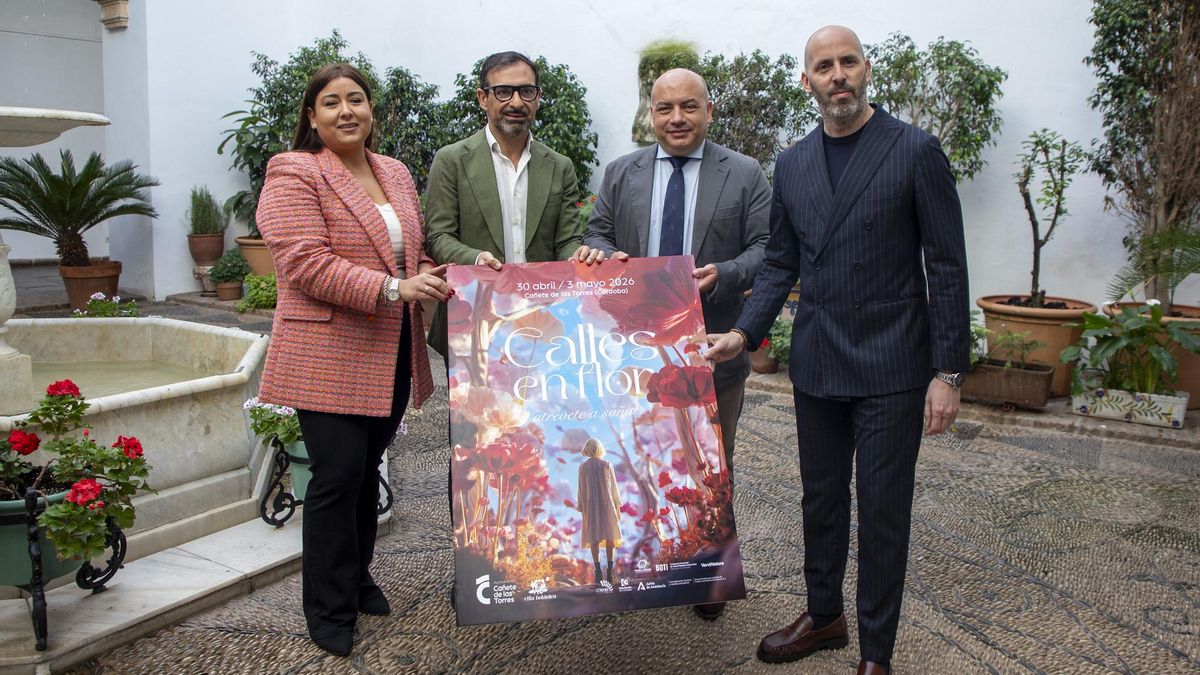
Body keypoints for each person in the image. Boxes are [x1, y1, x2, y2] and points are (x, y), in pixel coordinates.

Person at [705, 26, 970, 675]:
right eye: (824, 66)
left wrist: (949, 370)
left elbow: (947, 263)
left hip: (893, 366)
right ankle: (824, 615)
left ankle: (876, 653)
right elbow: (779, 263)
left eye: (847, 61)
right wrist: (744, 331)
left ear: (866, 69)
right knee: (820, 499)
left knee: (882, 512)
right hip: (818, 360)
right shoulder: (793, 163)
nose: (837, 74)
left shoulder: (915, 151)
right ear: (808, 82)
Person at [256, 63, 452, 658]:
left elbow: (408, 251)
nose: (347, 112)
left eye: (357, 100)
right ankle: (328, 607)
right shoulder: (294, 170)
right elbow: (303, 263)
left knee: (367, 474)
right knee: (337, 477)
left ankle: (358, 576)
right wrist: (394, 290)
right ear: (311, 116)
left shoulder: (392, 171)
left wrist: (421, 273)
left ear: (372, 110)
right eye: (332, 102)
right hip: (327, 353)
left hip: (390, 349)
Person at [578, 67, 770, 620]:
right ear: (651, 113)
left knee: (711, 462)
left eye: (689, 107)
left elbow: (767, 247)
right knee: (637, 454)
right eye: (665, 108)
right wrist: (604, 256)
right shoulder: (621, 172)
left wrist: (727, 272)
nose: (677, 119)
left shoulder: (745, 173)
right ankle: (645, 567)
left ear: (708, 110)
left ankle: (706, 576)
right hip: (634, 351)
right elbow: (598, 234)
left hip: (713, 347)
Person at [424, 50, 584, 355]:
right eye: (503, 92)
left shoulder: (559, 165)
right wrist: (474, 258)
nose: (516, 102)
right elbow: (437, 236)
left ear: (537, 98)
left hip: (542, 316)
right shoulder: (452, 160)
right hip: (473, 312)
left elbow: (566, 241)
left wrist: (580, 255)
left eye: (526, 91)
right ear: (483, 98)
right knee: (479, 402)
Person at [574, 438, 623, 586]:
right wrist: (617, 506)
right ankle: (609, 571)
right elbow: (614, 488)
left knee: (593, 537)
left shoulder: (582, 467)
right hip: (606, 505)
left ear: (587, 449)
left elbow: (581, 489)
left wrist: (581, 506)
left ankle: (598, 572)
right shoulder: (606, 465)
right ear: (599, 448)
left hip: (590, 507)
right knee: (610, 536)